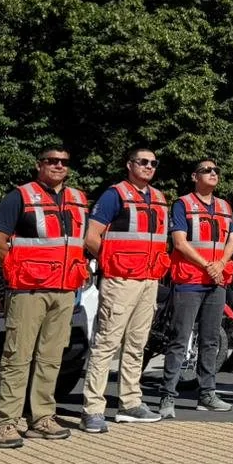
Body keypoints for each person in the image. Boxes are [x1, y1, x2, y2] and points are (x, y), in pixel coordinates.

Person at [0, 145, 89, 448]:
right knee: (17, 357)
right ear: (39, 165)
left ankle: (42, 417)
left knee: (52, 357)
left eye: (63, 161)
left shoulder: (78, 199)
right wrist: (18, 271)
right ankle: (6, 423)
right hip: (29, 290)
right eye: (51, 161)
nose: (58, 165)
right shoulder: (20, 196)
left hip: (65, 289)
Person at [80, 146, 170, 432]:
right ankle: (93, 408)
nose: (148, 167)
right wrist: (112, 264)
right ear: (129, 165)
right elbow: (91, 236)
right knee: (107, 342)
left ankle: (130, 402)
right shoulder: (114, 194)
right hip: (121, 280)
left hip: (148, 280)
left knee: (137, 343)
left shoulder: (158, 198)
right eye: (143, 162)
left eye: (153, 163)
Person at [159, 159, 233, 419]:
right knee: (180, 338)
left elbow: (232, 239)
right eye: (207, 170)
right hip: (191, 280)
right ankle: (168, 396)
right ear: (195, 176)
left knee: (211, 339)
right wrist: (208, 265)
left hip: (216, 282)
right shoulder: (183, 204)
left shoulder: (225, 206)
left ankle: (207, 393)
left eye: (216, 170)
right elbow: (179, 242)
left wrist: (221, 264)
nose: (213, 173)